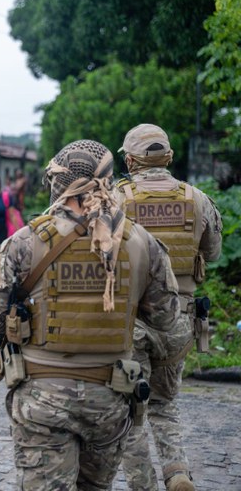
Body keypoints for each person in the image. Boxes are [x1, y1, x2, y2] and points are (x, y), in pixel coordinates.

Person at [0, 139, 180, 490]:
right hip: (111, 399)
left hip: (42, 400)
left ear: (57, 181)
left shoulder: (25, 242)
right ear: (109, 180)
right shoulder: (141, 243)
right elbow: (167, 322)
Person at [117, 124, 223, 491]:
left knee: (130, 409)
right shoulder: (197, 199)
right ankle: (177, 473)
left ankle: (141, 485)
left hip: (130, 322)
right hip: (180, 319)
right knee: (165, 402)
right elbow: (212, 253)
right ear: (170, 158)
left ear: (130, 161)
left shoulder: (116, 200)